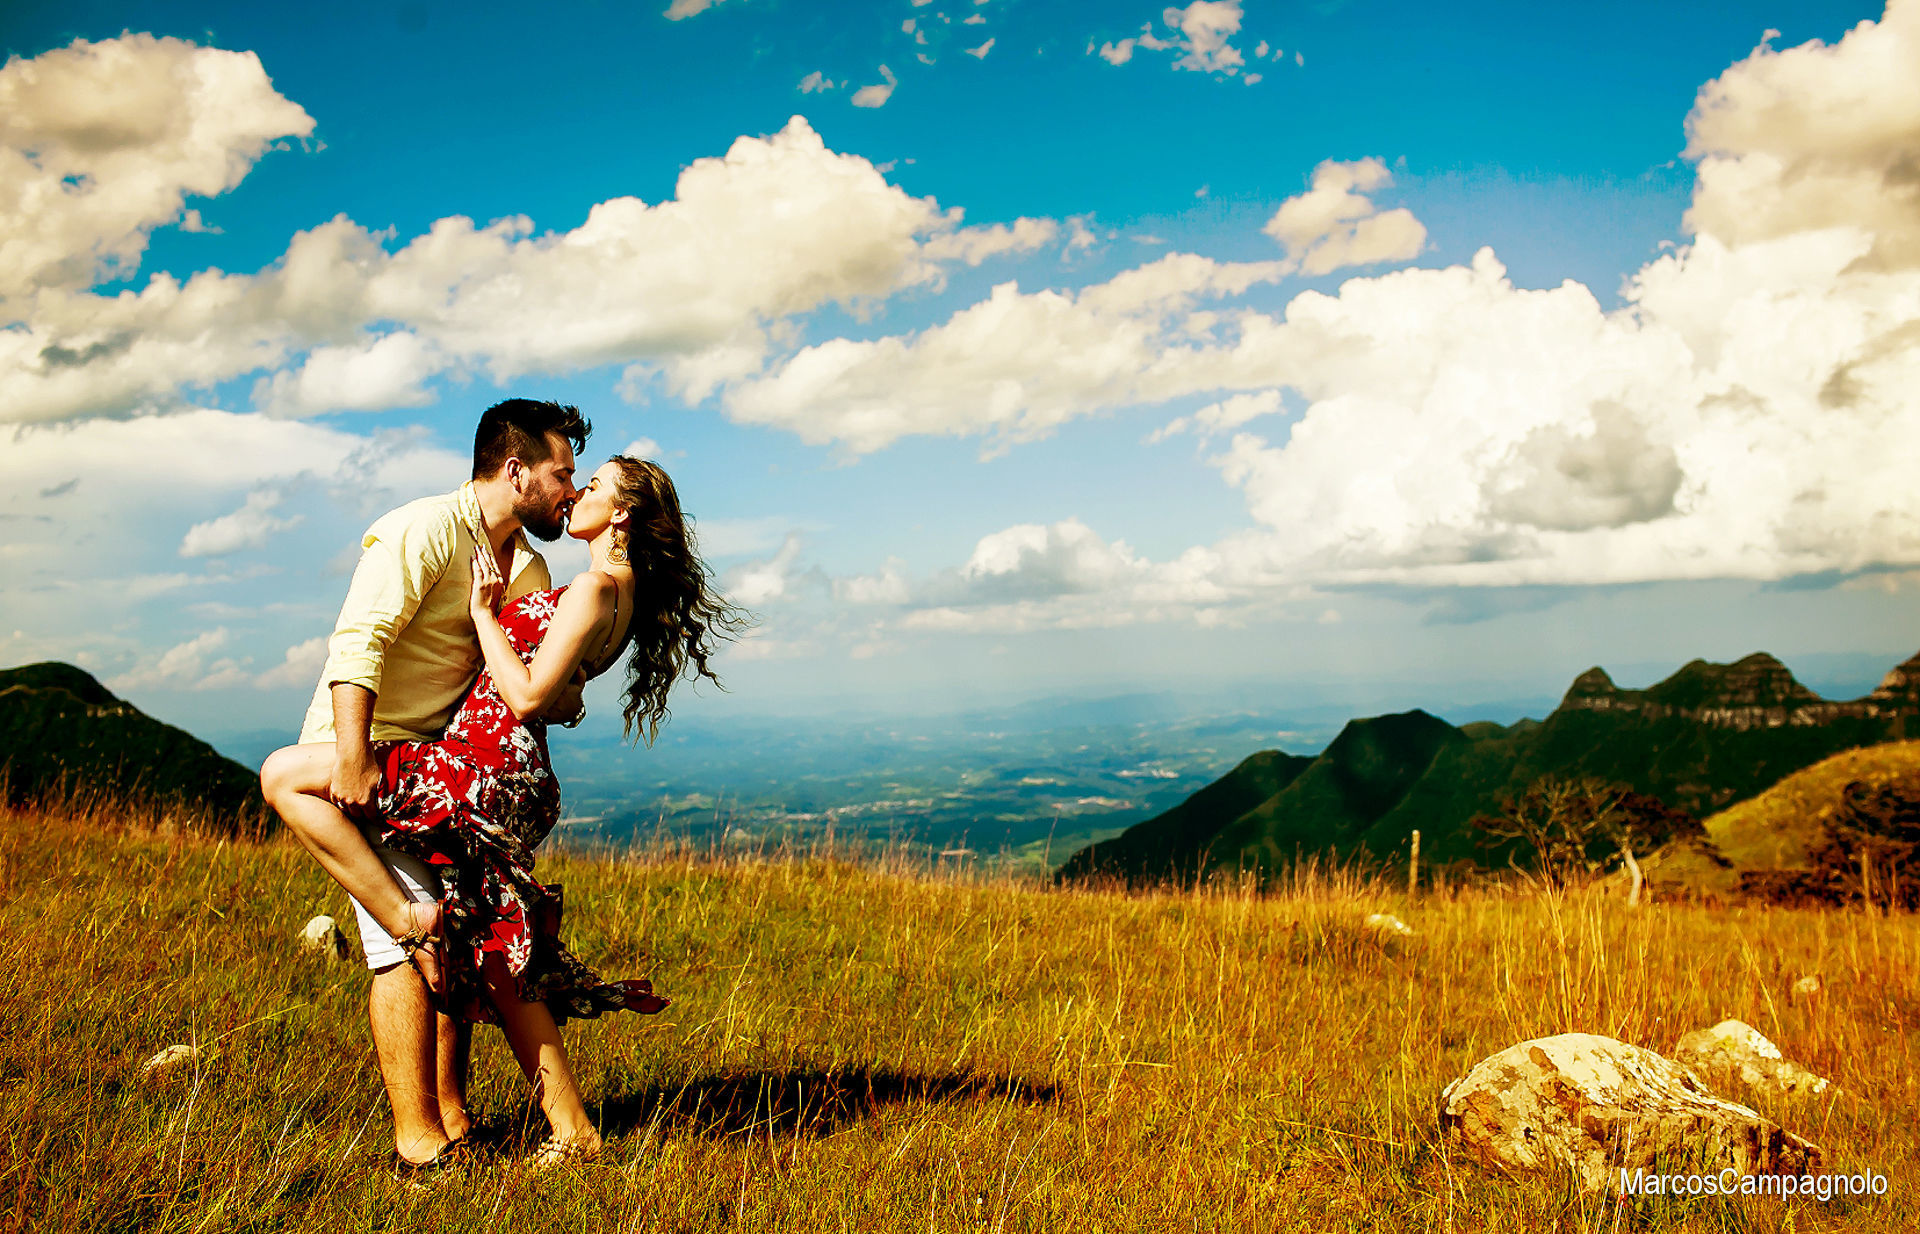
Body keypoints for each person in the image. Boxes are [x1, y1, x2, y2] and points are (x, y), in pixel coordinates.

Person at [264, 443, 744, 1171]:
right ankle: (555, 1124)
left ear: (619, 513)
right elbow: (555, 691)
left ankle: (404, 924)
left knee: (284, 776)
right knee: (492, 953)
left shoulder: (592, 590)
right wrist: (559, 685)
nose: (577, 492)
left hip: (481, 768)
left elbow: (522, 695)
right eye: (574, 479)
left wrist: (485, 614)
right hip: (505, 770)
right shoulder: (617, 594)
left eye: (595, 486)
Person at [261, 397, 588, 1175]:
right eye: (561, 473)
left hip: (436, 772)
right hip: (361, 759)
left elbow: (526, 680)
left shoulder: (529, 567)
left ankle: (453, 1115)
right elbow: (360, 639)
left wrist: (560, 691)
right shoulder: (423, 529)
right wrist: (351, 758)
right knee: (406, 948)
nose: (569, 490)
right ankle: (419, 1144)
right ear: (516, 471)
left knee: (454, 939)